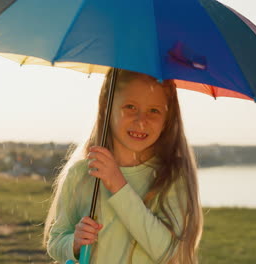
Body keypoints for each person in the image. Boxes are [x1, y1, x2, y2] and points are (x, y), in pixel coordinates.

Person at [43, 69, 203, 263]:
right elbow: (56, 241)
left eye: (154, 110)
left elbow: (168, 252)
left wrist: (118, 185)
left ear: (167, 119)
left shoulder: (171, 177)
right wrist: (74, 243)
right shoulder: (82, 174)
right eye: (130, 107)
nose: (141, 120)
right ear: (106, 107)